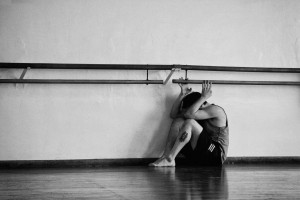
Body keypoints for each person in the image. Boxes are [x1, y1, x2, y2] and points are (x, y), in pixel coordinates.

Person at [149, 80, 229, 167]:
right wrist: (182, 95)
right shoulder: (196, 112)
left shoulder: (216, 110)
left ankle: (171, 158)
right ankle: (166, 157)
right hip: (200, 154)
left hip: (215, 156)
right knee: (178, 120)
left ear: (200, 105)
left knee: (189, 122)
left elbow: (188, 114)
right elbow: (174, 115)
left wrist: (203, 97)